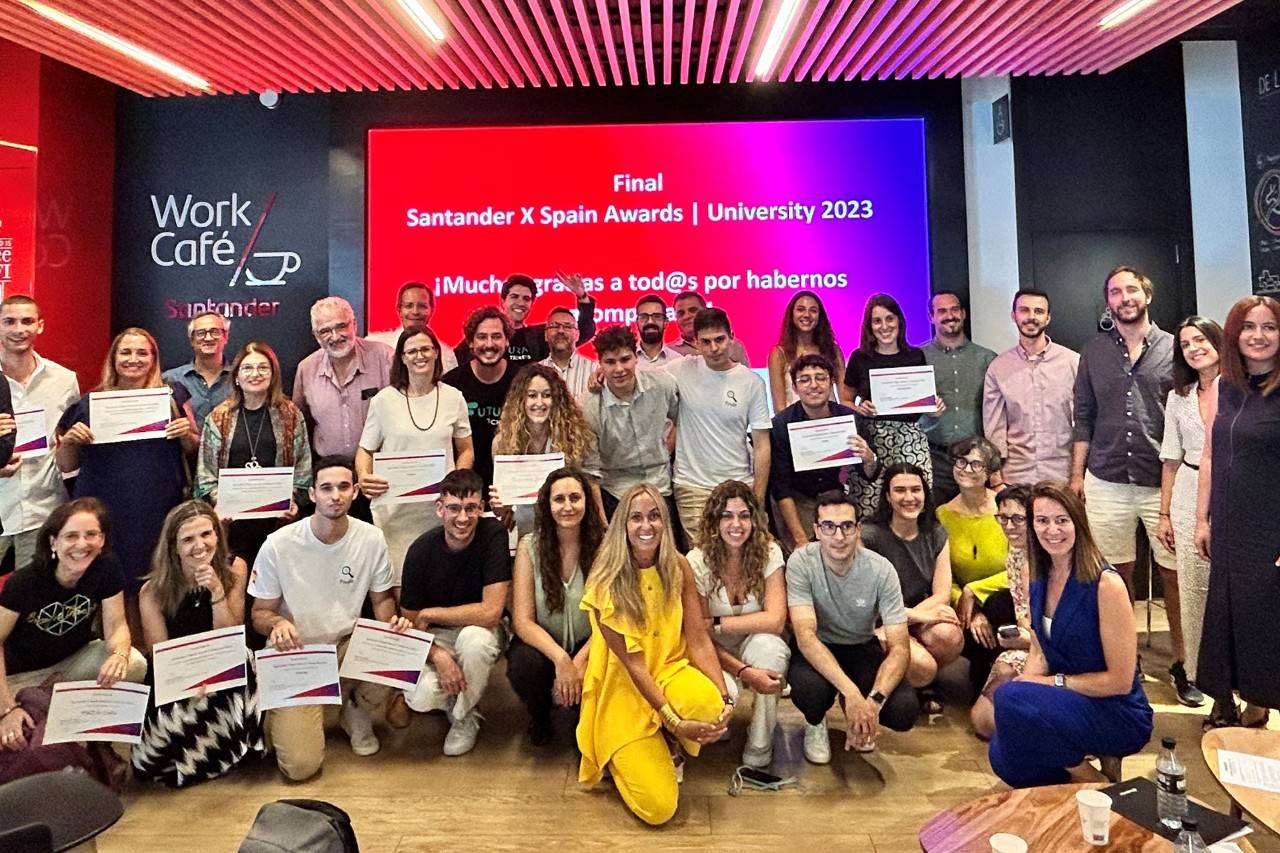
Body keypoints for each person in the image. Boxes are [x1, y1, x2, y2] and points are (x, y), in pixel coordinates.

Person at [576, 483, 730, 826]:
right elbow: (634, 669)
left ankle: (666, 738)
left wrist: (726, 699)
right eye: (636, 518)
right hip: (624, 692)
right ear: (623, 525)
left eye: (654, 516)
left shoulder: (678, 565)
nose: (646, 526)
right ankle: (627, 751)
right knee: (659, 809)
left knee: (710, 705)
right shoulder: (605, 579)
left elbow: (698, 639)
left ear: (665, 521)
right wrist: (677, 721)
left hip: (671, 671)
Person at [1070, 267, 1190, 701]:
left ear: (1147, 295)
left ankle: (1185, 664)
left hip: (1164, 481)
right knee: (1115, 577)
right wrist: (1076, 476)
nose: (1125, 298)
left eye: (1132, 289)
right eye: (1115, 292)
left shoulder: (1176, 349)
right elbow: (1083, 416)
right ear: (1108, 302)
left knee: (1176, 574)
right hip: (1106, 478)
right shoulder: (1093, 351)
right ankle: (1126, 662)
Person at [249, 457, 407, 780]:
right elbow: (259, 614)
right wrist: (278, 623)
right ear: (312, 494)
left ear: (355, 491)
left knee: (400, 647)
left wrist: (392, 629)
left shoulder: (371, 538)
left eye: (344, 487)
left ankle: (355, 709)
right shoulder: (278, 544)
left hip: (345, 645)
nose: (335, 496)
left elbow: (382, 602)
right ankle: (288, 713)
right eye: (326, 488)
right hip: (297, 655)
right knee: (300, 768)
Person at [988, 483, 1153, 788]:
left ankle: (1098, 783)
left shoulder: (1107, 584)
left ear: (1078, 522)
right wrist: (1028, 685)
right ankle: (1076, 783)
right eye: (1042, 521)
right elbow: (1039, 651)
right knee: (1002, 756)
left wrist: (1048, 685)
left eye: (1061, 520)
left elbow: (1119, 681)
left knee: (1008, 699)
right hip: (1068, 696)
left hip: (1115, 708)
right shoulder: (1035, 575)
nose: (1052, 530)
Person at [56, 328, 197, 603]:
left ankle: (151, 629)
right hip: (105, 507)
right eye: (126, 352)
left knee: (155, 577)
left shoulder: (171, 396)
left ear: (153, 359)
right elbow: (66, 464)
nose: (134, 359)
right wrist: (70, 441)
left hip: (156, 505)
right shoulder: (90, 403)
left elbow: (192, 448)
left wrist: (185, 434)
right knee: (107, 579)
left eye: (142, 353)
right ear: (114, 358)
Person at [131, 501, 264, 787]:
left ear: (217, 535)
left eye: (206, 534)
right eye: (188, 539)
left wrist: (216, 591)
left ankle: (229, 746)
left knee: (244, 658)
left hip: (223, 664)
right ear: (173, 547)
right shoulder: (152, 591)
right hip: (177, 673)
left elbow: (232, 636)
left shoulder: (235, 568)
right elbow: (158, 653)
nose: (200, 545)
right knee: (147, 761)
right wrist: (190, 682)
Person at [0, 499, 148, 752]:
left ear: (102, 540)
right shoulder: (25, 582)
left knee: (134, 663)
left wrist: (119, 654)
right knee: (13, 733)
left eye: (91, 535)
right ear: (53, 542)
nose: (82, 544)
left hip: (72, 661)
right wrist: (7, 708)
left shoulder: (107, 567)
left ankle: (96, 747)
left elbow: (116, 625)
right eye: (71, 536)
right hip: (19, 674)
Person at [1195, 295, 1280, 730]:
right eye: (1249, 326)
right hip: (1229, 522)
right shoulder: (1225, 387)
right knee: (1226, 611)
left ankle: (1261, 701)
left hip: (1270, 526)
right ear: (1234, 335)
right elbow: (1211, 455)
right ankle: (1232, 696)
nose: (1258, 336)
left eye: (1269, 327)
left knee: (1262, 615)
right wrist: (1202, 519)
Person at [787, 490, 918, 765]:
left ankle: (861, 720)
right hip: (819, 645)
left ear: (858, 529)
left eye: (847, 526)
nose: (839, 536)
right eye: (829, 526)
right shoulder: (801, 562)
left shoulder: (881, 570)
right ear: (817, 530)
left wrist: (872, 703)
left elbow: (900, 647)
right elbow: (805, 636)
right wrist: (852, 693)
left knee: (903, 709)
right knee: (810, 692)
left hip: (861, 644)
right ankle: (815, 721)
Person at [397, 469, 511, 755]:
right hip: (436, 638)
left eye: (471, 508)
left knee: (475, 641)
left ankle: (463, 715)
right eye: (454, 508)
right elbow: (411, 624)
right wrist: (439, 656)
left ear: (481, 508)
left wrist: (430, 614)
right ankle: (455, 697)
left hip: (482, 630)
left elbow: (491, 612)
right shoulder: (420, 551)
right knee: (420, 697)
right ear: (440, 508)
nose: (463, 518)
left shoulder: (493, 534)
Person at [356, 326, 473, 581]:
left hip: (440, 511)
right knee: (399, 584)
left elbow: (466, 450)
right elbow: (365, 449)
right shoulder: (383, 400)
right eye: (412, 351)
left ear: (436, 353)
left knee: (440, 582)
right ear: (402, 357)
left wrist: (455, 483)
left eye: (425, 349)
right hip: (395, 514)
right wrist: (364, 476)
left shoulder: (454, 398)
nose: (420, 356)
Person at [688, 481, 789, 768]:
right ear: (714, 521)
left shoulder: (770, 552)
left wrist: (718, 623)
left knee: (771, 651)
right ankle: (723, 715)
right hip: (714, 654)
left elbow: (776, 620)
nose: (737, 524)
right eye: (727, 516)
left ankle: (760, 742)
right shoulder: (697, 561)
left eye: (744, 516)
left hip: (754, 643)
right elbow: (699, 635)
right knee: (724, 698)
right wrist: (743, 672)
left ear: (754, 520)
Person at [507, 467, 605, 745]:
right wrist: (561, 660)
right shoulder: (529, 547)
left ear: (587, 502)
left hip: (591, 643)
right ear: (547, 505)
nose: (567, 507)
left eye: (575, 498)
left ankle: (583, 712)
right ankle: (539, 715)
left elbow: (611, 619)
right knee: (524, 665)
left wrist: (580, 660)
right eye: (559, 499)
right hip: (546, 644)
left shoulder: (604, 546)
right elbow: (522, 621)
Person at [195, 342, 311, 566]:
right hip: (232, 521)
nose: (255, 374)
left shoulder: (291, 415)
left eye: (263, 368)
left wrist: (291, 500)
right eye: (247, 368)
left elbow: (302, 465)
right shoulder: (219, 417)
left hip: (277, 519)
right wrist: (222, 503)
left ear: (273, 375)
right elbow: (205, 473)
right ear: (236, 376)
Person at [1156, 316, 1221, 711]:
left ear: (1218, 341)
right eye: (1185, 344)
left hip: (1231, 494)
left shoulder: (1243, 390)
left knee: (1228, 591)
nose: (1194, 348)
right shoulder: (1178, 397)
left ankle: (1239, 678)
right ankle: (1196, 674)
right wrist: (1164, 514)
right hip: (1186, 491)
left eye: (1200, 339)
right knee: (1193, 592)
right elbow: (1170, 459)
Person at [860, 464, 962, 708]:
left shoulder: (936, 533)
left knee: (950, 636)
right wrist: (911, 619)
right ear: (887, 496)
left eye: (916, 489)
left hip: (915, 614)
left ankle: (921, 682)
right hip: (879, 620)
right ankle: (910, 680)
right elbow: (868, 601)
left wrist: (913, 618)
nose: (909, 497)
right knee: (923, 666)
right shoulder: (868, 536)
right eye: (900, 490)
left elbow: (942, 593)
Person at [666, 308, 771, 545]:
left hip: (739, 484)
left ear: (731, 337)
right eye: (706, 342)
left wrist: (759, 498)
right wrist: (599, 375)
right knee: (700, 559)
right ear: (695, 342)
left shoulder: (752, 382)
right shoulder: (680, 369)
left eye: (719, 339)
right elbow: (639, 378)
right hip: (692, 487)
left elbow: (762, 445)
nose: (714, 348)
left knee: (740, 557)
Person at [0, 295, 80, 572]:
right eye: (9, 322)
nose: (19, 329)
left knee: (33, 595)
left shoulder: (64, 380)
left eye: (27, 321)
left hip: (43, 510)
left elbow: (68, 441)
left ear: (40, 326)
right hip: (1, 505)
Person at [769, 354, 879, 554]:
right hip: (798, 499)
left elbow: (869, 474)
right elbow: (781, 488)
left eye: (820, 378)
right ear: (794, 387)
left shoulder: (850, 419)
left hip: (838, 496)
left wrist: (869, 458)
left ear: (831, 382)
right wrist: (800, 540)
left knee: (853, 552)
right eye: (805, 380)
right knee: (806, 555)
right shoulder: (781, 425)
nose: (814, 385)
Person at [842, 293, 938, 519]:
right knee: (870, 505)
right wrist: (860, 408)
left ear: (899, 321)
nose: (884, 326)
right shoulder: (859, 358)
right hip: (873, 439)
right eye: (877, 321)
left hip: (911, 438)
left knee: (914, 501)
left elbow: (925, 403)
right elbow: (845, 400)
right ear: (869, 326)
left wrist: (936, 407)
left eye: (889, 319)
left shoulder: (916, 356)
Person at [936, 437, 1013, 695]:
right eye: (961, 461)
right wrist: (968, 602)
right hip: (965, 608)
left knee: (998, 604)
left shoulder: (1007, 508)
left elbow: (1023, 567)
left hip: (1009, 601)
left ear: (990, 472)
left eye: (976, 464)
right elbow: (945, 576)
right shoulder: (942, 515)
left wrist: (975, 591)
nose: (967, 469)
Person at [581, 326, 680, 520]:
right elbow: (590, 472)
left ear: (636, 358)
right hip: (616, 491)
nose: (619, 369)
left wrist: (666, 448)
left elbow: (682, 420)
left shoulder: (662, 385)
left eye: (625, 359)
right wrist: (602, 522)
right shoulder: (589, 406)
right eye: (610, 362)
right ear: (600, 364)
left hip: (660, 485)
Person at [983, 289, 1080, 486]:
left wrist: (1079, 475)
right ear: (1014, 315)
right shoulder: (999, 367)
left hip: (1062, 475)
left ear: (1048, 317)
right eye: (1024, 310)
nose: (1031, 317)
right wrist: (995, 477)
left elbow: (1084, 422)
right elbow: (995, 426)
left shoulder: (1073, 362)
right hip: (1015, 476)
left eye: (1039, 311)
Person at [490, 364, 594, 539]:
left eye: (547, 395)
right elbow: (504, 509)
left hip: (568, 527)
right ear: (520, 400)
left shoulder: (573, 438)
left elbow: (586, 488)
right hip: (527, 529)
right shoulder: (502, 443)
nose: (539, 403)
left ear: (557, 400)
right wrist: (499, 505)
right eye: (532, 395)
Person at [293, 297, 394, 464]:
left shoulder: (385, 358)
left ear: (354, 324)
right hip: (329, 471)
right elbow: (300, 423)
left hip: (379, 468)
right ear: (315, 335)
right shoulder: (306, 369)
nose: (335, 337)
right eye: (325, 331)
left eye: (341, 326)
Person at [920, 291, 995, 502]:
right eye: (942, 311)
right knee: (934, 518)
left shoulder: (987, 359)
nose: (950, 316)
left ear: (963, 314)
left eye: (954, 309)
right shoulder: (917, 358)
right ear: (931, 317)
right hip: (934, 459)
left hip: (976, 460)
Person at [970, 485, 1033, 740]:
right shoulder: (1015, 553)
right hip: (1030, 643)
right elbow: (1022, 613)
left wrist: (1029, 641)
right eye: (1003, 518)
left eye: (1018, 518)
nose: (1009, 526)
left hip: (1061, 652)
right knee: (982, 721)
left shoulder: (1056, 559)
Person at [441, 306, 519, 490]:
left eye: (496, 336)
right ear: (470, 342)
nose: (489, 344)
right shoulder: (451, 384)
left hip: (512, 486)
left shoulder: (523, 381)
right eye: (482, 337)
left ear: (507, 341)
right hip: (464, 489)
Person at [461, 273, 596, 367]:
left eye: (526, 299)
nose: (520, 303)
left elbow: (585, 330)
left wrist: (582, 297)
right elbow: (455, 362)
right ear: (502, 301)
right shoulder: (483, 336)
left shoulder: (539, 335)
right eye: (514, 297)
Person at [767, 290, 846, 412]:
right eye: (800, 309)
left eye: (813, 310)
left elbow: (845, 399)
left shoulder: (833, 350)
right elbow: (779, 408)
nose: (807, 315)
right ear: (792, 314)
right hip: (794, 421)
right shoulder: (779, 354)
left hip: (830, 420)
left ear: (820, 316)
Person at [162, 311, 233, 430]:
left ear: (226, 337)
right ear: (191, 340)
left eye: (215, 332)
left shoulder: (240, 378)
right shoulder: (170, 379)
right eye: (201, 333)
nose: (208, 338)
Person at [366, 282, 459, 373]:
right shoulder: (374, 345)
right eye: (408, 306)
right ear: (399, 310)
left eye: (422, 306)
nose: (415, 312)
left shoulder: (446, 355)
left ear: (432, 310)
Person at [669, 291, 750, 364]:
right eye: (681, 313)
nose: (686, 316)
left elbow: (744, 375)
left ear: (705, 311)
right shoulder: (669, 352)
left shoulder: (733, 345)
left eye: (693, 310)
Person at [539, 305, 597, 400]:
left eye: (567, 326)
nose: (560, 331)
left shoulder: (594, 370)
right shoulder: (535, 372)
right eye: (555, 326)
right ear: (545, 335)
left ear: (577, 335)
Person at [633, 295, 683, 370]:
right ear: (637, 322)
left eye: (657, 316)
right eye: (644, 317)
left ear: (666, 322)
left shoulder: (678, 361)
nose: (650, 321)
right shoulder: (625, 359)